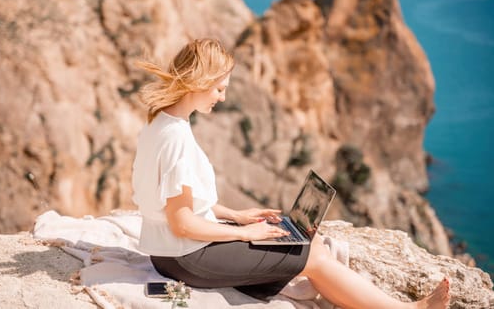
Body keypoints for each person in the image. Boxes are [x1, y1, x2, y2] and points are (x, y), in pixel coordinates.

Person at [132, 38, 450, 309]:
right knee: (313, 255)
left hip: (168, 254)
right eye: (219, 88)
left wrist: (237, 216)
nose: (222, 97)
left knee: (299, 244)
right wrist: (245, 234)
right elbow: (182, 221)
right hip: (187, 258)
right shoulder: (177, 138)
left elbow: (178, 202)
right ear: (201, 81)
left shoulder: (159, 122)